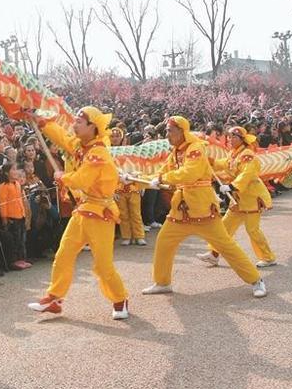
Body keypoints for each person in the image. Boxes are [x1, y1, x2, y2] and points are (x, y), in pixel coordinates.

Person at [141, 116, 267, 298]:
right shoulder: (176, 151)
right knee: (163, 242)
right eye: (166, 131)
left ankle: (256, 280)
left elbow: (190, 173)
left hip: (202, 209)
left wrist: (162, 179)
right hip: (181, 210)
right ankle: (162, 282)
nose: (166, 134)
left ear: (181, 131)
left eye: (170, 130)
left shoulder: (195, 149)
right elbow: (164, 170)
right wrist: (143, 179)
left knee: (226, 246)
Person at [27, 107, 130, 320]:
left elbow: (82, 180)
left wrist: (61, 176)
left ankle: (120, 299)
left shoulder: (98, 153)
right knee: (63, 254)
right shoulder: (81, 146)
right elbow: (62, 137)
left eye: (79, 123)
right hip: (83, 210)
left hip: (101, 213)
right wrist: (41, 121)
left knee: (103, 265)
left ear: (93, 127)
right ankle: (54, 298)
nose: (73, 125)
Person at [196, 126, 276, 267]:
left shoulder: (247, 154)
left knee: (252, 230)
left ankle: (268, 257)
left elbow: (248, 173)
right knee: (224, 226)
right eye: (229, 137)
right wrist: (211, 161)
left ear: (242, 139)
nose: (230, 139)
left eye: (234, 137)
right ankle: (214, 253)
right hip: (238, 199)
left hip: (251, 197)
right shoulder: (234, 153)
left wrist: (232, 186)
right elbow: (224, 165)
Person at [0, 162, 31, 270]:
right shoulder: (3, 186)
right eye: (13, 169)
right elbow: (2, 203)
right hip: (11, 216)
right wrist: (4, 218)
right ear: (7, 172)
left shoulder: (17, 184)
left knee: (21, 239)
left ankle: (22, 259)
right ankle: (14, 260)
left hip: (20, 214)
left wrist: (24, 213)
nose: (16, 172)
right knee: (15, 239)